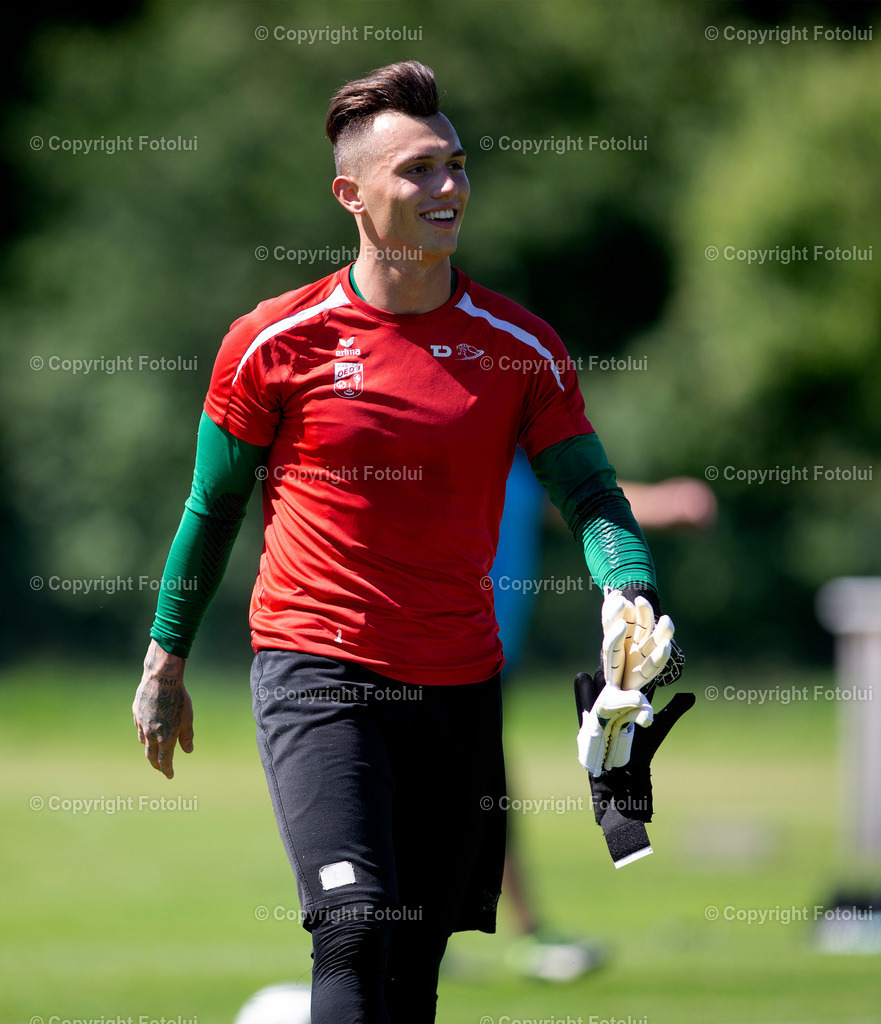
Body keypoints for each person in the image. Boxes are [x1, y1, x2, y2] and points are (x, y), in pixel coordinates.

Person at [132, 60, 683, 1024]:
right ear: (351, 194)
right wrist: (164, 658)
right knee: (351, 923)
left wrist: (624, 585)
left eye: (457, 166)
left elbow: (589, 489)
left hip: (457, 684)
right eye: (419, 170)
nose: (448, 188)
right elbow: (209, 509)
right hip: (316, 671)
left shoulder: (521, 347)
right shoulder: (272, 342)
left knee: (409, 971)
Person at [492, 456, 715, 980]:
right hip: (423, 650)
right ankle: (520, 932)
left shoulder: (515, 447)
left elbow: (574, 495)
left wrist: (661, 505)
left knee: (469, 785)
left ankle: (431, 926)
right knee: (472, 784)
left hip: (493, 651)